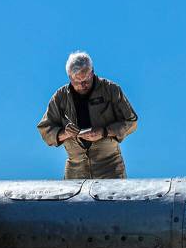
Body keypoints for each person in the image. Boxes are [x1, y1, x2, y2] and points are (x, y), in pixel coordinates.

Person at [37, 51, 138, 179]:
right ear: (69, 77)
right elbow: (45, 129)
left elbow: (131, 122)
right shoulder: (60, 97)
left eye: (86, 80)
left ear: (92, 72)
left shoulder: (111, 90)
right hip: (75, 169)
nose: (82, 85)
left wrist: (104, 132)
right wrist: (65, 133)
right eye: (77, 82)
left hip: (110, 167)